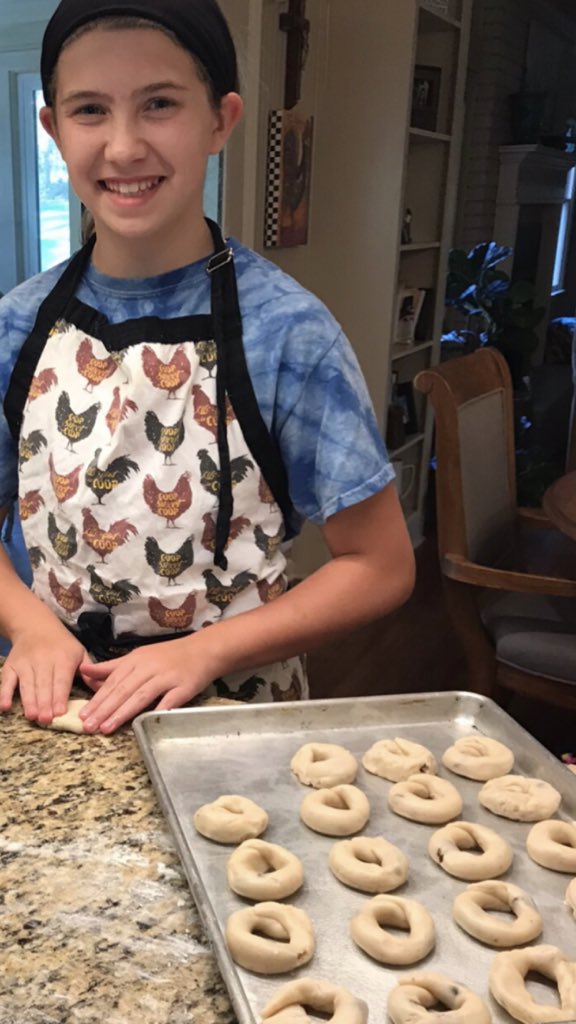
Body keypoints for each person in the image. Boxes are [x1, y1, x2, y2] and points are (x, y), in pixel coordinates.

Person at [0, 0, 415, 735]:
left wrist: (204, 651)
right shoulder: (17, 324)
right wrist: (31, 627)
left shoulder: (288, 331)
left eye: (159, 104)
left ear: (221, 121)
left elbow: (380, 565)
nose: (123, 147)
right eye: (90, 109)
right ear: (53, 129)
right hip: (60, 708)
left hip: (233, 714)